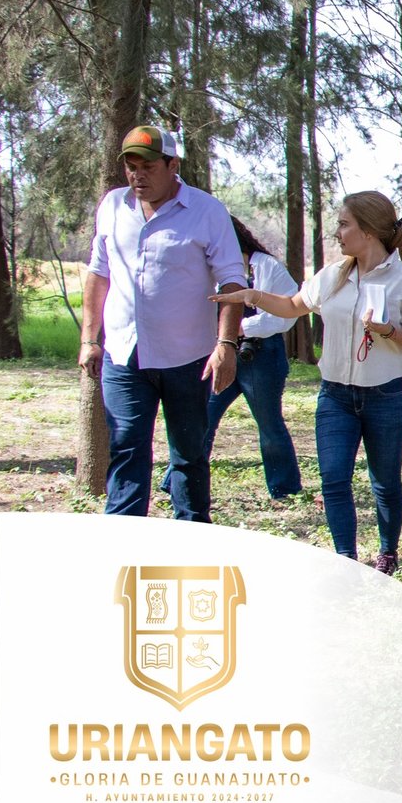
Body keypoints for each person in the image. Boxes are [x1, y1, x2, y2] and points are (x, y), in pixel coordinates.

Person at [213, 191, 402, 574]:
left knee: (384, 482)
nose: (337, 232)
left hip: (385, 397)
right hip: (335, 396)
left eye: (344, 224)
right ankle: (346, 559)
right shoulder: (333, 275)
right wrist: (252, 296)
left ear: (368, 231)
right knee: (333, 480)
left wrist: (388, 330)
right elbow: (292, 306)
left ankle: (387, 553)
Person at [80, 125, 247, 521]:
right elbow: (98, 273)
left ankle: (192, 536)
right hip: (124, 354)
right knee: (126, 448)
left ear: (173, 166)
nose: (138, 176)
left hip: (188, 358)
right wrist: (90, 339)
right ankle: (123, 539)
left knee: (188, 455)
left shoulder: (207, 211)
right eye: (131, 167)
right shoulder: (113, 206)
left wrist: (226, 345)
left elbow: (232, 282)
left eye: (148, 167)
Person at [164, 218, 303, 499]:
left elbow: (287, 314)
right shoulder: (208, 269)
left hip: (261, 355)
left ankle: (284, 489)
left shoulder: (266, 266)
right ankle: (177, 485)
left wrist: (242, 327)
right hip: (219, 353)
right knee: (202, 418)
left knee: (268, 423)